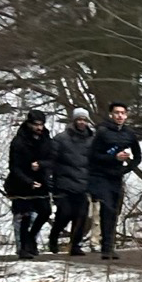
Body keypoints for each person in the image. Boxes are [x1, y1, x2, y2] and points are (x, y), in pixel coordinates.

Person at [90, 102, 142, 260]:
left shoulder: (129, 134)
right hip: (101, 175)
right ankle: (106, 247)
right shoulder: (102, 132)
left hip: (116, 176)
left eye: (123, 113)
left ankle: (109, 246)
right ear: (111, 115)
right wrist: (113, 157)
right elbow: (93, 156)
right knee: (106, 209)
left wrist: (126, 168)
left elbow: (138, 156)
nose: (120, 116)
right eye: (117, 113)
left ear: (126, 116)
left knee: (114, 210)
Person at [4, 110, 54, 259]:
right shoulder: (19, 141)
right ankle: (24, 247)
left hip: (41, 180)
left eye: (41, 124)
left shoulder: (46, 139)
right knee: (24, 216)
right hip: (21, 183)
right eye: (36, 125)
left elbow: (52, 160)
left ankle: (31, 238)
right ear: (29, 124)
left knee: (45, 211)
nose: (39, 128)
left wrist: (41, 165)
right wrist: (28, 181)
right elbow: (14, 167)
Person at [47, 108, 97, 255]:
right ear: (74, 121)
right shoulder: (60, 139)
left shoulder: (92, 139)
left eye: (84, 119)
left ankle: (75, 245)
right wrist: (50, 181)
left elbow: (94, 161)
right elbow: (52, 161)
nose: (82, 122)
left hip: (83, 183)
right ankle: (53, 237)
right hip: (64, 183)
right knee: (65, 214)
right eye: (79, 119)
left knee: (81, 215)